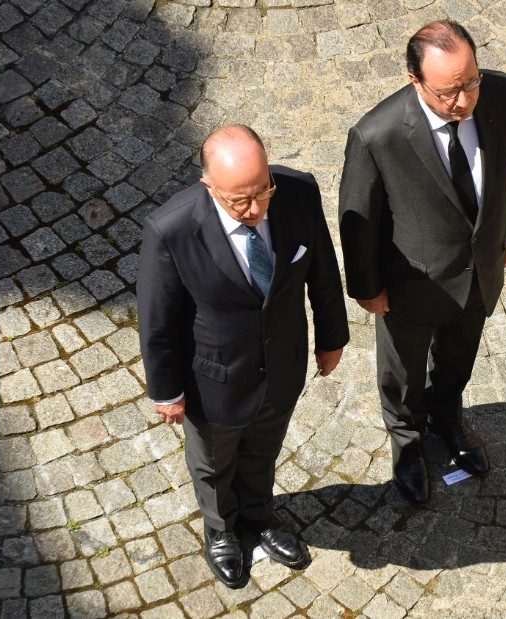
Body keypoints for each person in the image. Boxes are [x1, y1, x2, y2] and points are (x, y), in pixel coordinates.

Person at [137, 125, 349, 588]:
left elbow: (323, 271)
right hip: (214, 380)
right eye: (239, 201)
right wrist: (166, 390)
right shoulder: (170, 230)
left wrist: (332, 338)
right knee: (213, 465)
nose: (255, 209)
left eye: (262, 192)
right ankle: (221, 532)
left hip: (282, 366)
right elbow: (158, 321)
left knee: (263, 451)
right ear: (208, 185)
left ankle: (258, 516)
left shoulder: (297, 192)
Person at [338, 20, 506, 505]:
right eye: (450, 92)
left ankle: (448, 419)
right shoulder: (376, 135)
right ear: (415, 80)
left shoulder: (505, 95)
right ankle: (406, 443)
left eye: (471, 82)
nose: (465, 100)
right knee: (403, 373)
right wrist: (367, 289)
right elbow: (358, 220)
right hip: (411, 284)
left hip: (479, 272)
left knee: (458, 357)